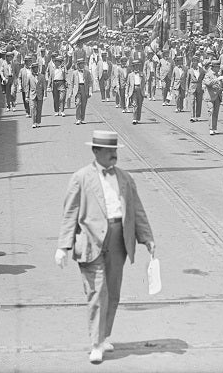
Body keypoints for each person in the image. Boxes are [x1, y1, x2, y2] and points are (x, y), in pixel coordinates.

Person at [55, 131, 155, 364]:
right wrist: (63, 246)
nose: (114, 154)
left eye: (115, 150)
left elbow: (137, 210)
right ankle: (96, 342)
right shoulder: (81, 178)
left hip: (119, 238)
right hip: (90, 241)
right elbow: (70, 213)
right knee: (97, 292)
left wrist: (147, 237)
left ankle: (103, 334)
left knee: (113, 291)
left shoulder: (125, 178)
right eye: (109, 151)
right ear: (96, 152)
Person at [72, 59, 92, 125]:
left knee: (83, 104)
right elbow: (72, 82)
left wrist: (90, 91)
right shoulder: (74, 73)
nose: (82, 65)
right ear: (78, 65)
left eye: (83, 63)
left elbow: (90, 82)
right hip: (77, 88)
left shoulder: (87, 72)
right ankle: (78, 119)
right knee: (78, 103)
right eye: (80, 64)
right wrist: (71, 92)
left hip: (84, 88)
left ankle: (82, 119)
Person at [27, 63, 44, 129]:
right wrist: (26, 96)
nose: (36, 69)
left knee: (39, 109)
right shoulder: (29, 76)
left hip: (40, 94)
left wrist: (45, 95)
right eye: (34, 68)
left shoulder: (42, 76)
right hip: (32, 94)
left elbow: (44, 86)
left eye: (37, 67)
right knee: (32, 108)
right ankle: (34, 122)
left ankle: (38, 122)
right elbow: (27, 87)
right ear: (32, 69)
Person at [128, 60, 145, 125]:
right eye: (135, 66)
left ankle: (138, 118)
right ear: (133, 67)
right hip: (133, 90)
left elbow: (144, 82)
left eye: (137, 66)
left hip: (140, 89)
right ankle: (134, 119)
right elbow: (128, 84)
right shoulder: (130, 75)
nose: (136, 67)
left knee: (139, 105)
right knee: (134, 104)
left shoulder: (142, 74)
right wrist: (127, 92)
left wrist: (144, 91)